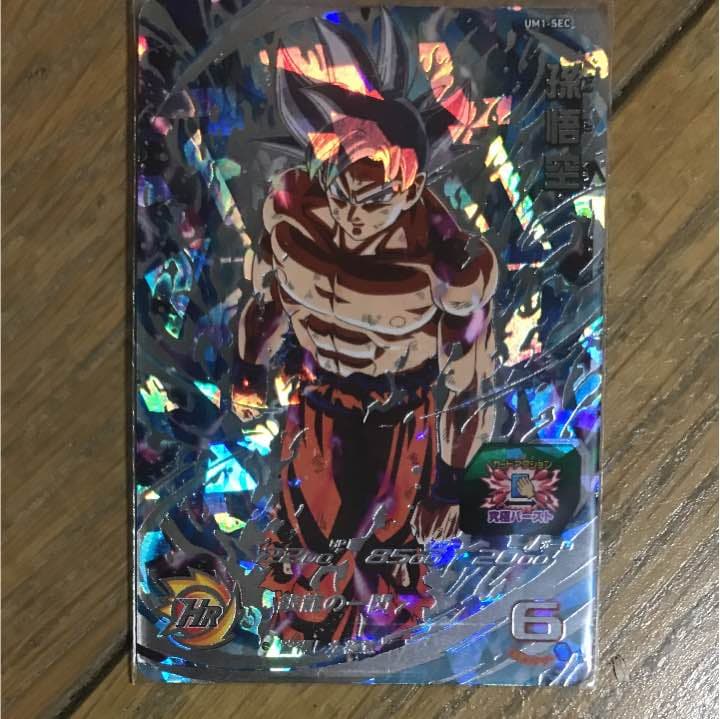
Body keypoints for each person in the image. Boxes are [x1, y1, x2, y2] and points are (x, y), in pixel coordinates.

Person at [236, 12, 498, 646]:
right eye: (341, 186)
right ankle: (305, 647)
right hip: (317, 402)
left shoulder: (448, 260)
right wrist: (247, 367)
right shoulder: (294, 213)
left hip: (401, 416)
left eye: (373, 193)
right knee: (305, 556)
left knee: (388, 568)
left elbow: (469, 382)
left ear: (407, 176)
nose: (353, 212)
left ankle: (384, 658)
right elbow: (270, 298)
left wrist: (450, 483)